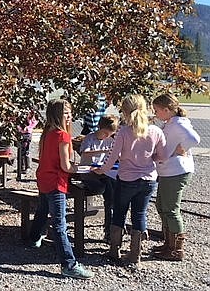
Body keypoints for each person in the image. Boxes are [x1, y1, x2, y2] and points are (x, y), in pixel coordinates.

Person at [94, 94, 166, 265]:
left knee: (119, 212)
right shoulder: (156, 131)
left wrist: (101, 170)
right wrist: (149, 158)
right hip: (148, 179)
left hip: (127, 179)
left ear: (125, 112)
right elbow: (162, 157)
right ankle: (135, 253)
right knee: (140, 214)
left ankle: (114, 249)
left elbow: (113, 157)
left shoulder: (124, 132)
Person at [28, 99, 94, 280]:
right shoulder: (62, 135)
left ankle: (33, 238)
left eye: (70, 112)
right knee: (59, 224)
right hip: (56, 182)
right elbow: (66, 166)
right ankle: (68, 264)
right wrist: (80, 168)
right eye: (66, 113)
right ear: (58, 114)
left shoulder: (46, 133)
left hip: (44, 178)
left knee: (42, 210)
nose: (69, 116)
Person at [151, 94, 200, 261]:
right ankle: (168, 243)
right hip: (168, 171)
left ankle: (176, 249)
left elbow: (194, 138)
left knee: (171, 209)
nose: (155, 113)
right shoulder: (171, 123)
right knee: (162, 206)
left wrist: (180, 149)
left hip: (176, 171)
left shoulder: (178, 123)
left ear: (166, 110)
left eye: (157, 110)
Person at [78, 115, 119, 241]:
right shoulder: (90, 138)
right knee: (104, 187)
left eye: (110, 134)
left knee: (112, 194)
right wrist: (102, 151)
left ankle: (110, 230)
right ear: (100, 128)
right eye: (105, 133)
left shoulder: (110, 141)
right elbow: (84, 152)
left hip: (103, 171)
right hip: (88, 172)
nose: (107, 136)